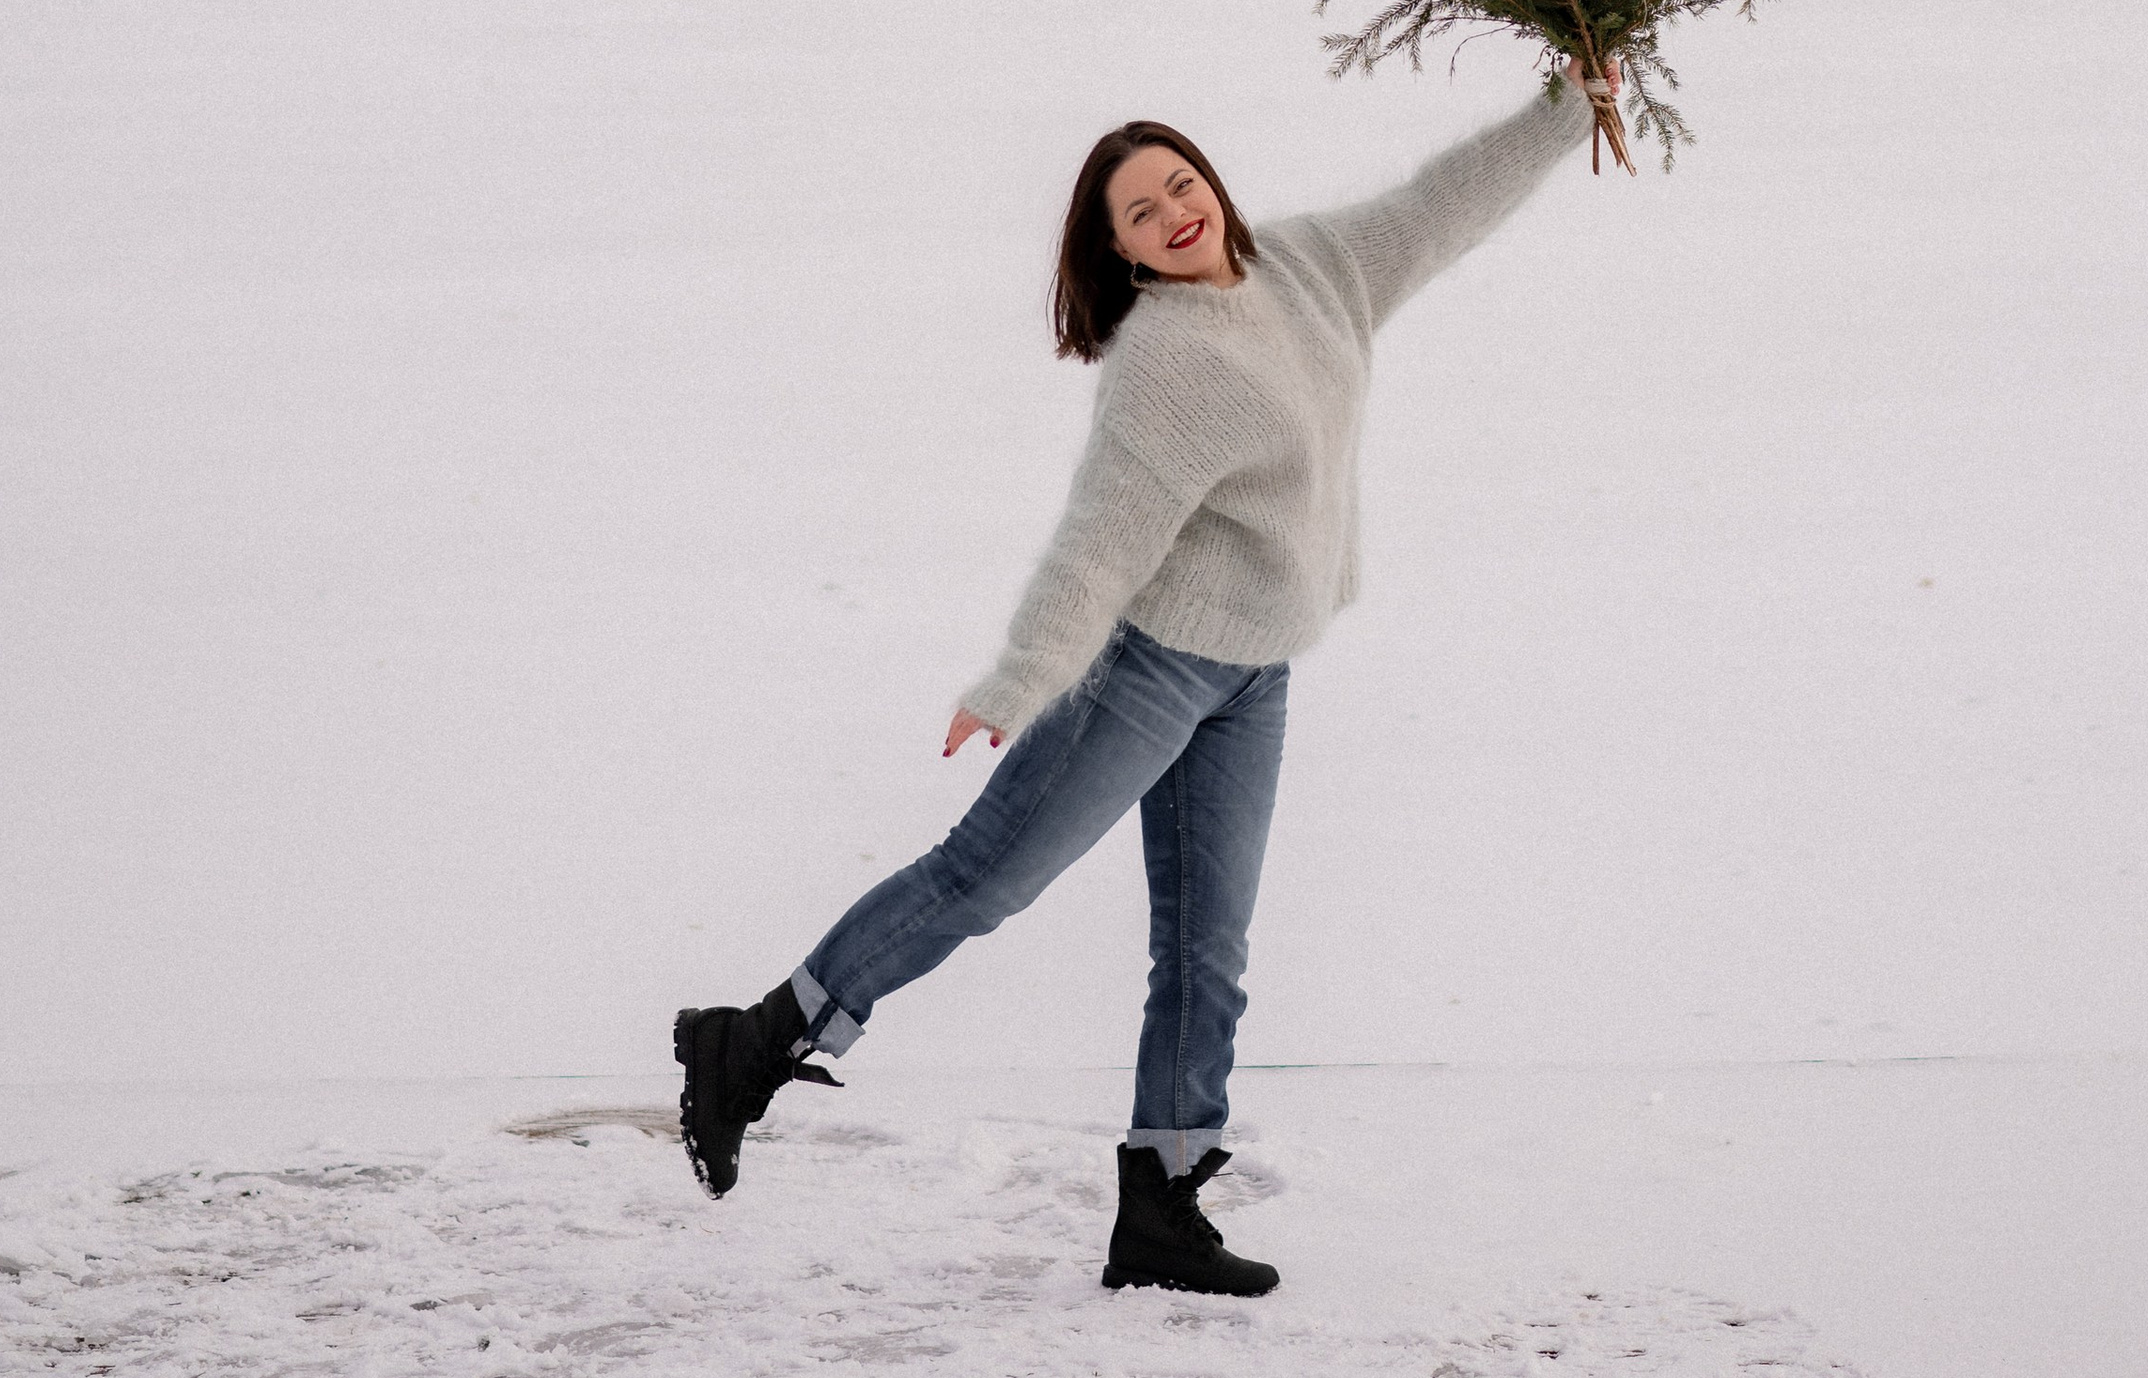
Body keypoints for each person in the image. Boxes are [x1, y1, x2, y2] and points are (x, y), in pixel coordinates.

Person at [672, 70, 1604, 1295]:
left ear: (1209, 181)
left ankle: (1160, 1203)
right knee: (982, 877)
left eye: (1180, 181)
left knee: (1207, 948)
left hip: (1256, 675)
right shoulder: (1164, 360)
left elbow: (1441, 202)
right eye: (1138, 211)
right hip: (1149, 672)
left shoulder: (1317, 267)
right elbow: (1098, 542)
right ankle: (752, 1040)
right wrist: (1017, 679)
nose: (1173, 211)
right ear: (1116, 251)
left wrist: (1564, 110)